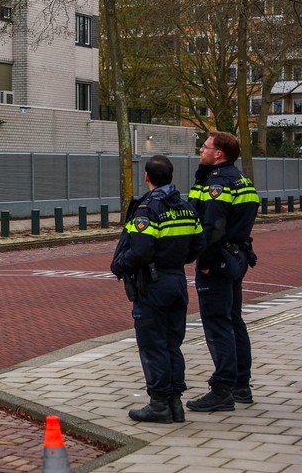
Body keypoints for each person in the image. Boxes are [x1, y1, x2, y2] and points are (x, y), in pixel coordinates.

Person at [110, 155, 203, 423]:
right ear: (172, 176)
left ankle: (159, 404)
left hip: (152, 284)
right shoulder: (186, 207)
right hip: (177, 281)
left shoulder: (147, 209)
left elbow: (140, 250)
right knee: (173, 344)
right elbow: (198, 244)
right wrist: (176, 259)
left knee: (153, 345)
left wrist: (119, 265)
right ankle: (175, 403)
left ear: (146, 177)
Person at [187, 131, 260, 412]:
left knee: (217, 323)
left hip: (217, 261)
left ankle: (222, 390)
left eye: (205, 147)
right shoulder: (242, 180)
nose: (201, 150)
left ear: (218, 154)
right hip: (236, 257)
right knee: (233, 319)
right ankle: (241, 384)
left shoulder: (217, 183)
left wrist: (204, 260)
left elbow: (212, 226)